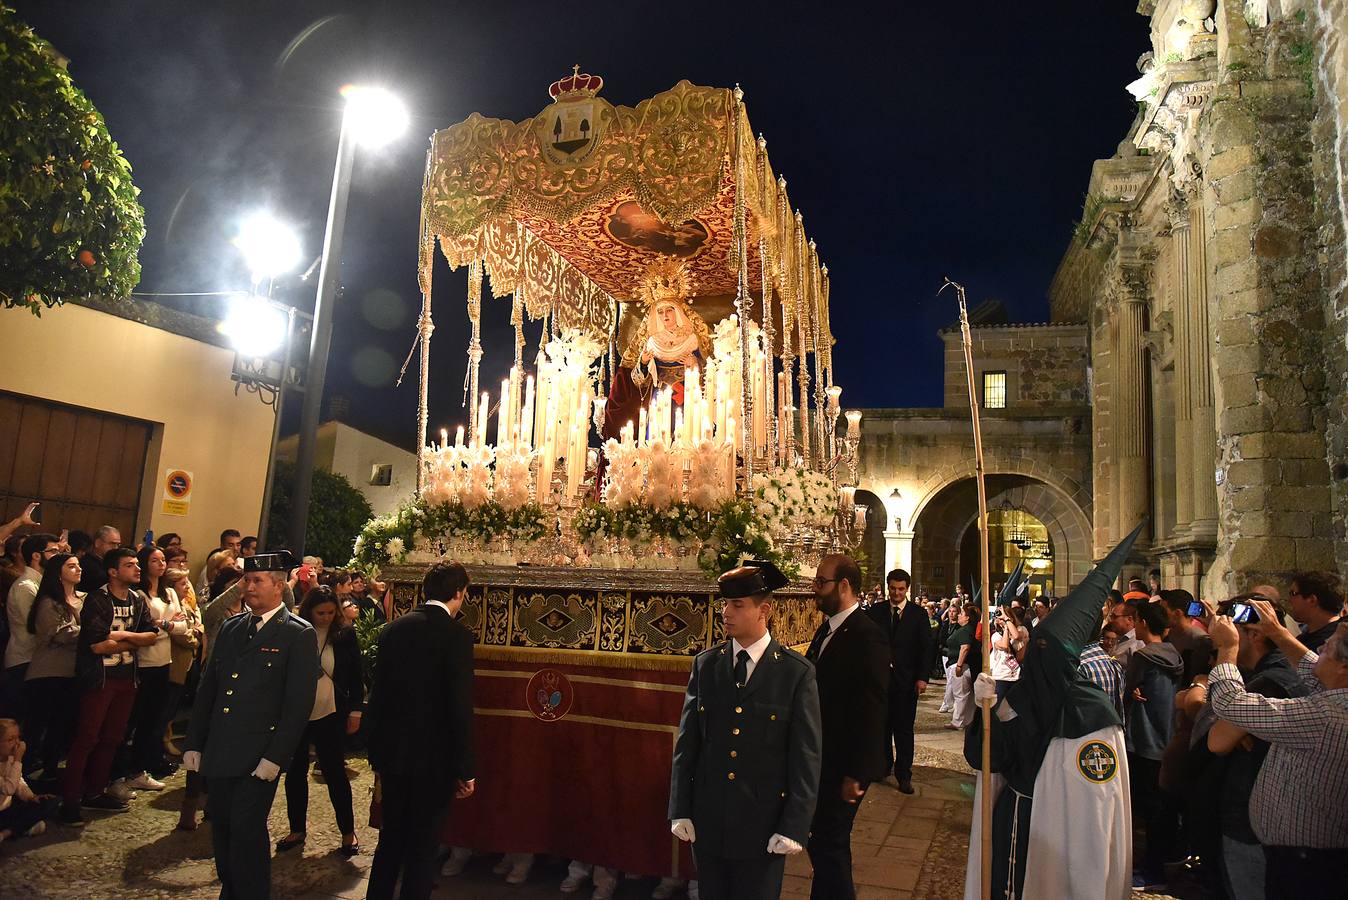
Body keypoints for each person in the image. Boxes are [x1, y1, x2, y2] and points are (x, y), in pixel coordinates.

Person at [963, 525, 1141, 900]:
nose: (1034, 656)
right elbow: (989, 757)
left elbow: (1094, 815)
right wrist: (986, 712)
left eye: (1044, 649)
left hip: (1058, 841)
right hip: (1013, 820)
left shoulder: (1092, 716)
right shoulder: (1028, 695)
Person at [668, 560, 822, 900]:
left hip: (762, 826)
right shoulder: (707, 665)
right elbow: (688, 743)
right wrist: (680, 807)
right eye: (725, 604)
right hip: (710, 822)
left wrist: (794, 826)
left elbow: (805, 758)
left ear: (763, 610)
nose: (726, 612)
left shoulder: (795, 674)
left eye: (738, 605)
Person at [182, 551, 319, 899]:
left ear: (278, 586)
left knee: (246, 829)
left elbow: (297, 704)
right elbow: (209, 689)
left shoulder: (296, 633)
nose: (249, 586)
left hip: (258, 754)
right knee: (223, 829)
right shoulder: (231, 628)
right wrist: (195, 742)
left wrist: (276, 757)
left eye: (257, 581)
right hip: (222, 748)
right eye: (247, 580)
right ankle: (232, 889)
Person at [1207, 599, 1348, 899]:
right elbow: (1312, 669)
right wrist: (1278, 632)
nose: (1320, 648)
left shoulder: (1326, 717)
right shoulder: (1337, 694)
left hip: (1308, 865)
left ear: (1344, 667)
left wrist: (1226, 649)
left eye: (1329, 646)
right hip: (1306, 857)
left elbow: (1230, 704)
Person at [365, 561, 476, 900]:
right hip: (434, 762)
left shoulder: (393, 630)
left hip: (394, 756)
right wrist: (465, 769)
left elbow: (378, 696)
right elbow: (459, 706)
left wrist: (376, 754)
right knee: (423, 846)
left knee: (391, 840)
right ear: (459, 594)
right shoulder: (457, 636)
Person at [806, 554, 889, 900]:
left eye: (821, 583)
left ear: (843, 586)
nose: (815, 590)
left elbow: (871, 708)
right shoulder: (828, 628)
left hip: (844, 763)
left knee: (829, 843)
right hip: (825, 757)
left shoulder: (866, 635)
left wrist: (857, 772)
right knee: (823, 843)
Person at [60, 547, 158, 825]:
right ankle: (70, 800)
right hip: (100, 678)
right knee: (87, 737)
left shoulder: (137, 599)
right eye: (130, 565)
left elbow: (151, 635)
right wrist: (135, 638)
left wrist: (123, 634)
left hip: (127, 677)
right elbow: (98, 644)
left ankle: (95, 792)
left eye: (137, 564)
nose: (137, 569)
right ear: (113, 571)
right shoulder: (99, 599)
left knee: (113, 738)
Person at [276, 586, 363, 857]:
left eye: (330, 612)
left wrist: (356, 712)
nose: (325, 617)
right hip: (299, 712)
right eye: (320, 613)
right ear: (309, 611)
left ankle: (348, 832)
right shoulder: (297, 631)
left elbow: (356, 674)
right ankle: (296, 828)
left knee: (335, 772)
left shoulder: (345, 634)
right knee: (296, 772)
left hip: (331, 711)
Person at [1124, 600, 1184, 890]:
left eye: (1135, 621)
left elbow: (1126, 691)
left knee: (1149, 813)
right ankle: (1162, 863)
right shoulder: (1174, 654)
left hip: (1144, 741)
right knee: (1162, 810)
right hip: (1167, 739)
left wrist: (1130, 692)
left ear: (1143, 623)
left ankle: (1151, 871)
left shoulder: (1144, 657)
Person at [121, 545, 188, 787]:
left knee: (153, 718)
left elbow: (183, 626)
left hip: (164, 660)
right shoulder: (138, 595)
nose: (161, 565)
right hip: (143, 661)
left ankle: (142, 766)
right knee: (134, 718)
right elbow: (142, 628)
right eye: (154, 561)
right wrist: (167, 626)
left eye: (162, 560)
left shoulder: (169, 591)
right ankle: (125, 770)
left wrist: (165, 625)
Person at [865, 567, 931, 794]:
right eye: (892, 589)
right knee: (881, 727)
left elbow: (925, 649)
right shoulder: (876, 612)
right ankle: (883, 767)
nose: (896, 593)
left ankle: (904, 774)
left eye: (900, 589)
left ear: (907, 589)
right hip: (881, 682)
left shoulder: (918, 615)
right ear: (887, 587)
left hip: (906, 682)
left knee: (903, 730)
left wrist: (922, 678)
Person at [22, 552, 83, 783]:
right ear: (58, 573)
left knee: (61, 724)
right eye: (71, 566)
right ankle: (28, 770)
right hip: (48, 671)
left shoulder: (83, 598)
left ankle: (51, 768)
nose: (78, 569)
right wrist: (90, 631)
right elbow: (58, 634)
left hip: (72, 671)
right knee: (39, 724)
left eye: (78, 566)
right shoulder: (49, 602)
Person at [4, 533, 57, 718]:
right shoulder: (26, 586)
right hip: (23, 659)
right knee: (22, 717)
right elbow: (36, 625)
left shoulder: (41, 583)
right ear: (36, 555)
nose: (57, 556)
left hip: (36, 659)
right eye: (53, 551)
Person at [0, 719, 58, 841]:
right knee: (36, 822)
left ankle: (6, 833)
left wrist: (31, 797)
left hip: (7, 809)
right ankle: (17, 829)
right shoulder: (15, 759)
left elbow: (18, 782)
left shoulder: (10, 757)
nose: (17, 744)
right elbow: (8, 789)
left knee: (50, 802)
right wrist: (18, 760)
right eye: (10, 739)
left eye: (18, 738)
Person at [1287, 571, 1342, 653]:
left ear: (1312, 600)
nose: (1289, 600)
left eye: (1293, 594)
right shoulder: (1304, 638)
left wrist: (1279, 635)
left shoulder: (1339, 639)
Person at [946, 604, 979, 731]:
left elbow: (964, 647)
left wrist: (959, 665)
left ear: (967, 618)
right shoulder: (964, 629)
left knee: (960, 694)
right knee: (966, 695)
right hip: (959, 664)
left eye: (961, 614)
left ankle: (958, 721)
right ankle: (967, 720)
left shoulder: (965, 631)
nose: (959, 615)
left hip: (961, 665)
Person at [77, 525, 121, 594]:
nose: (116, 548)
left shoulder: (113, 562)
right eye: (112, 544)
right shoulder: (86, 563)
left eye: (118, 545)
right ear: (98, 543)